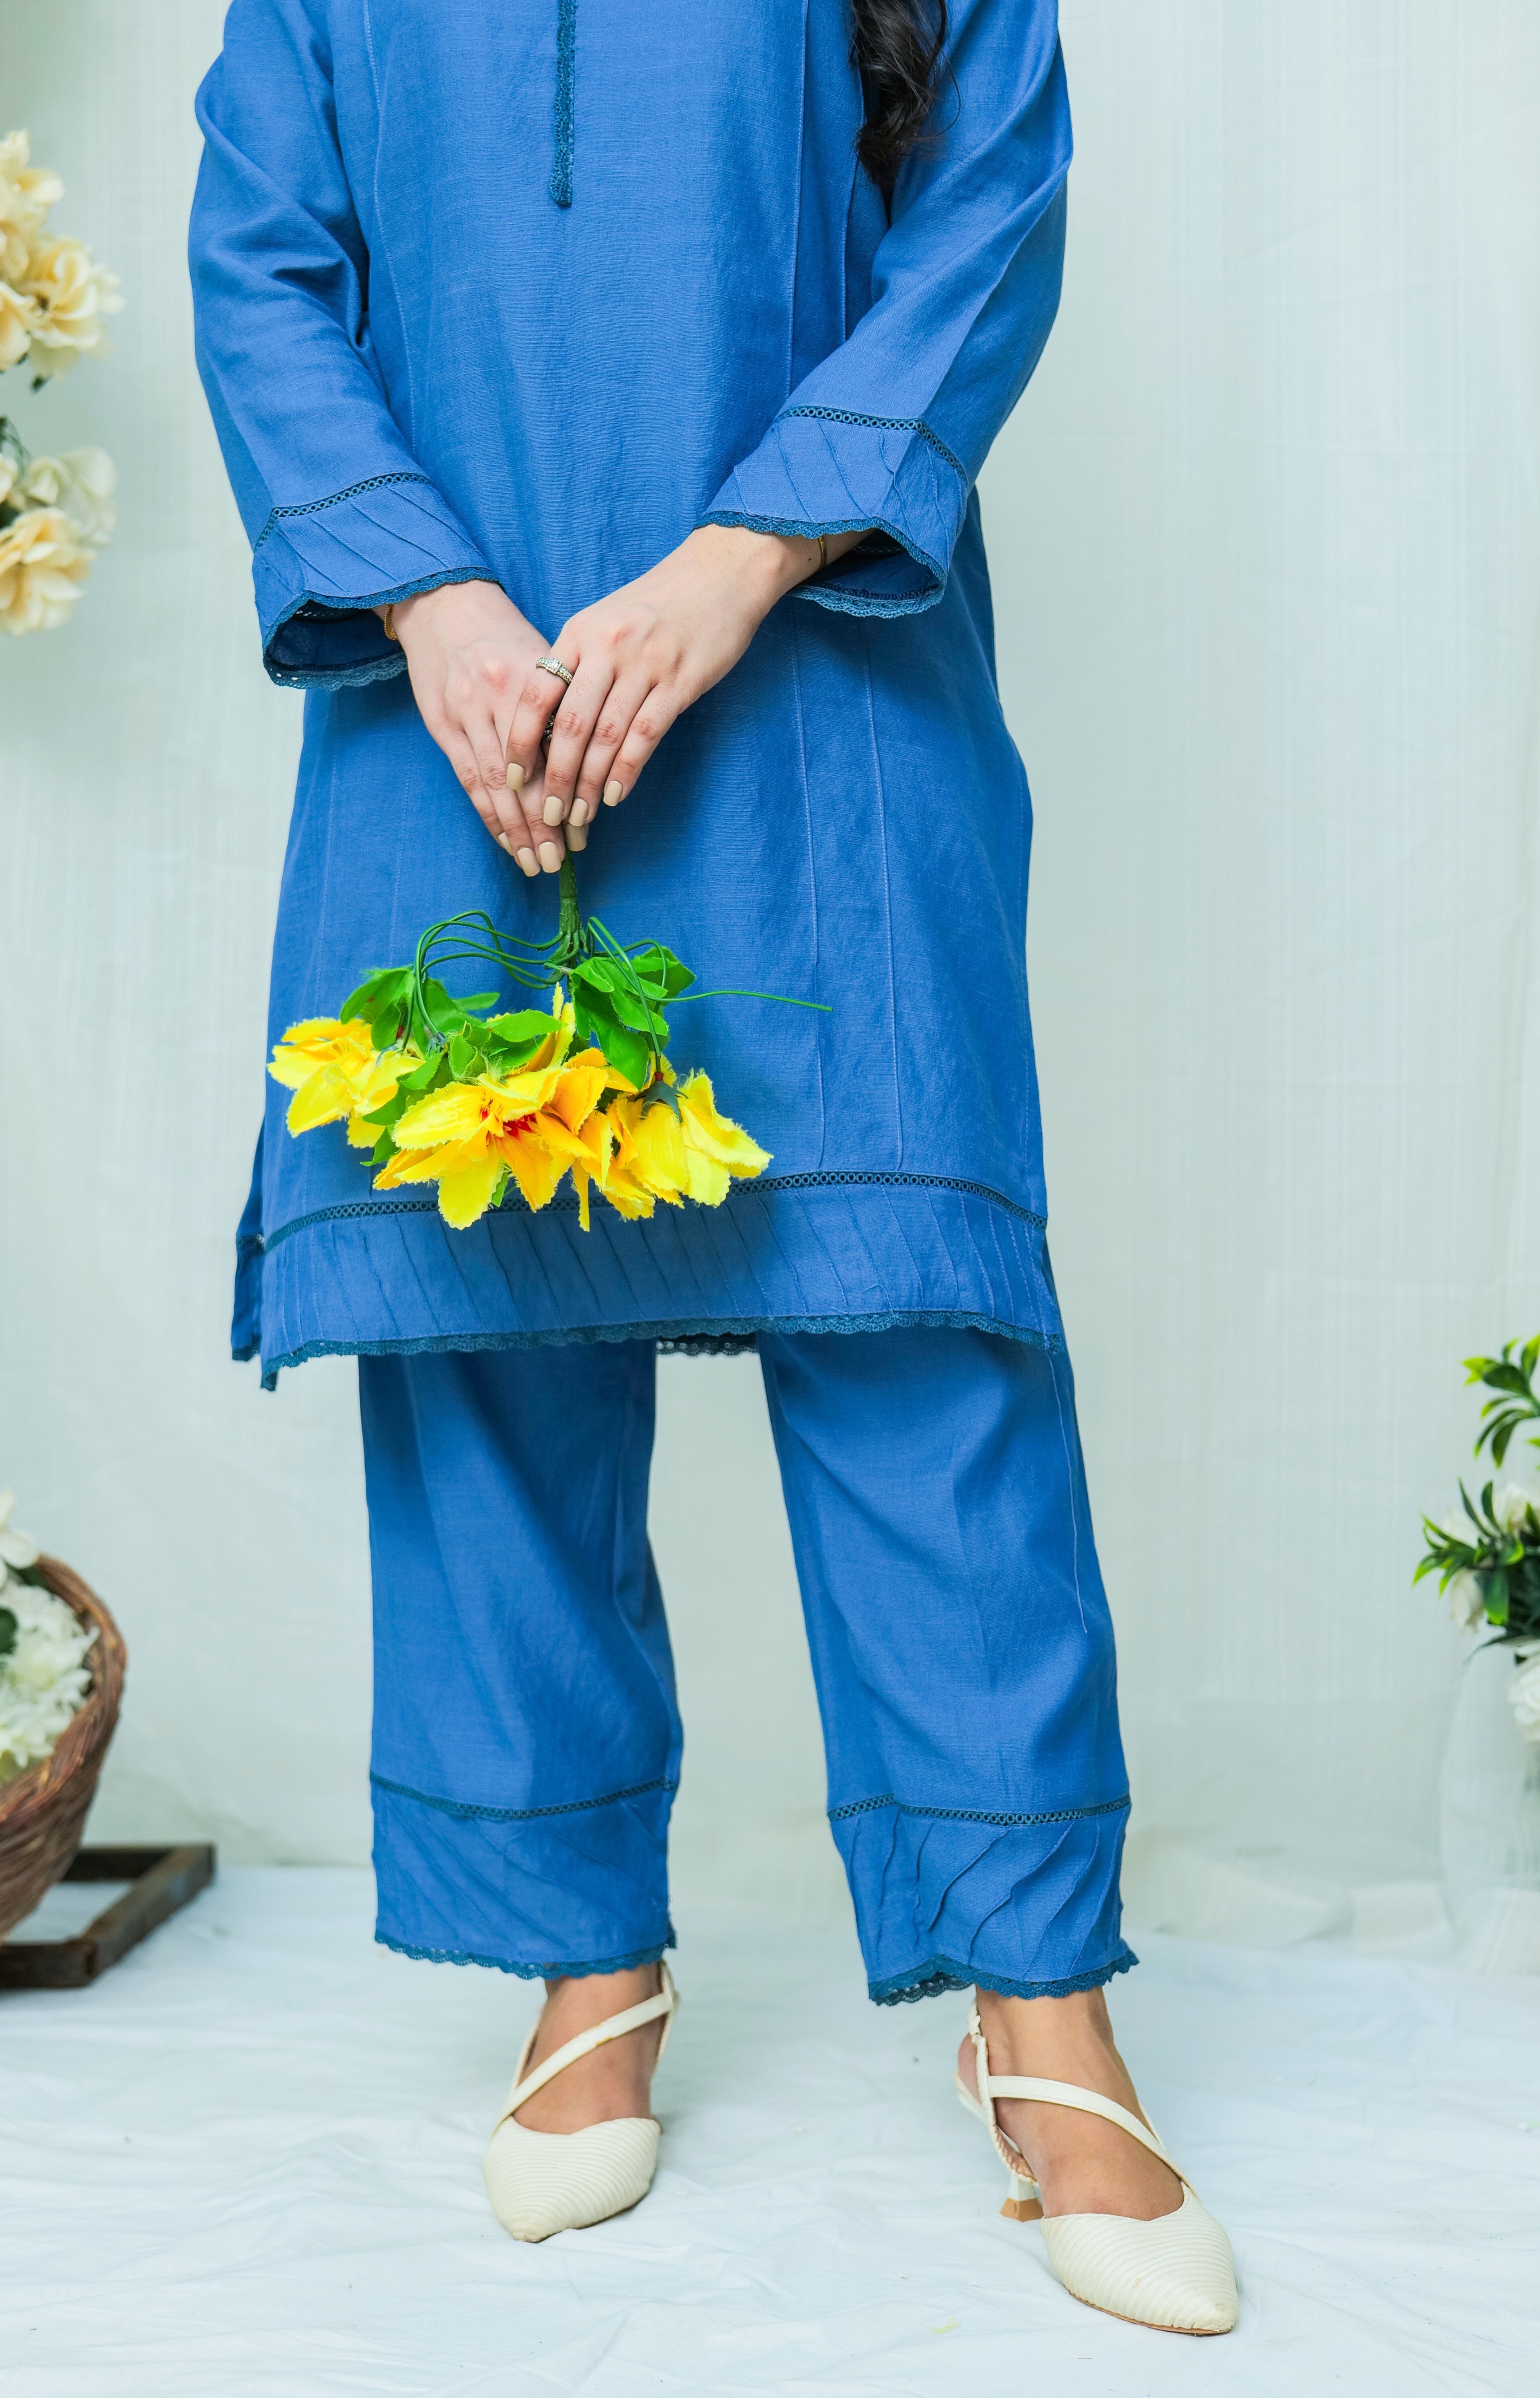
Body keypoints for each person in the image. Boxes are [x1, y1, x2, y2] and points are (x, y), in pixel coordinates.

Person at [190, 0, 1237, 2336]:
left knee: (916, 1316)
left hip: (819, 675)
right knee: (484, 1311)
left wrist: (738, 564)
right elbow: (260, 252)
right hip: (450, 709)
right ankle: (584, 1957)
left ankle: (1041, 2001)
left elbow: (988, 203)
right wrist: (432, 602)